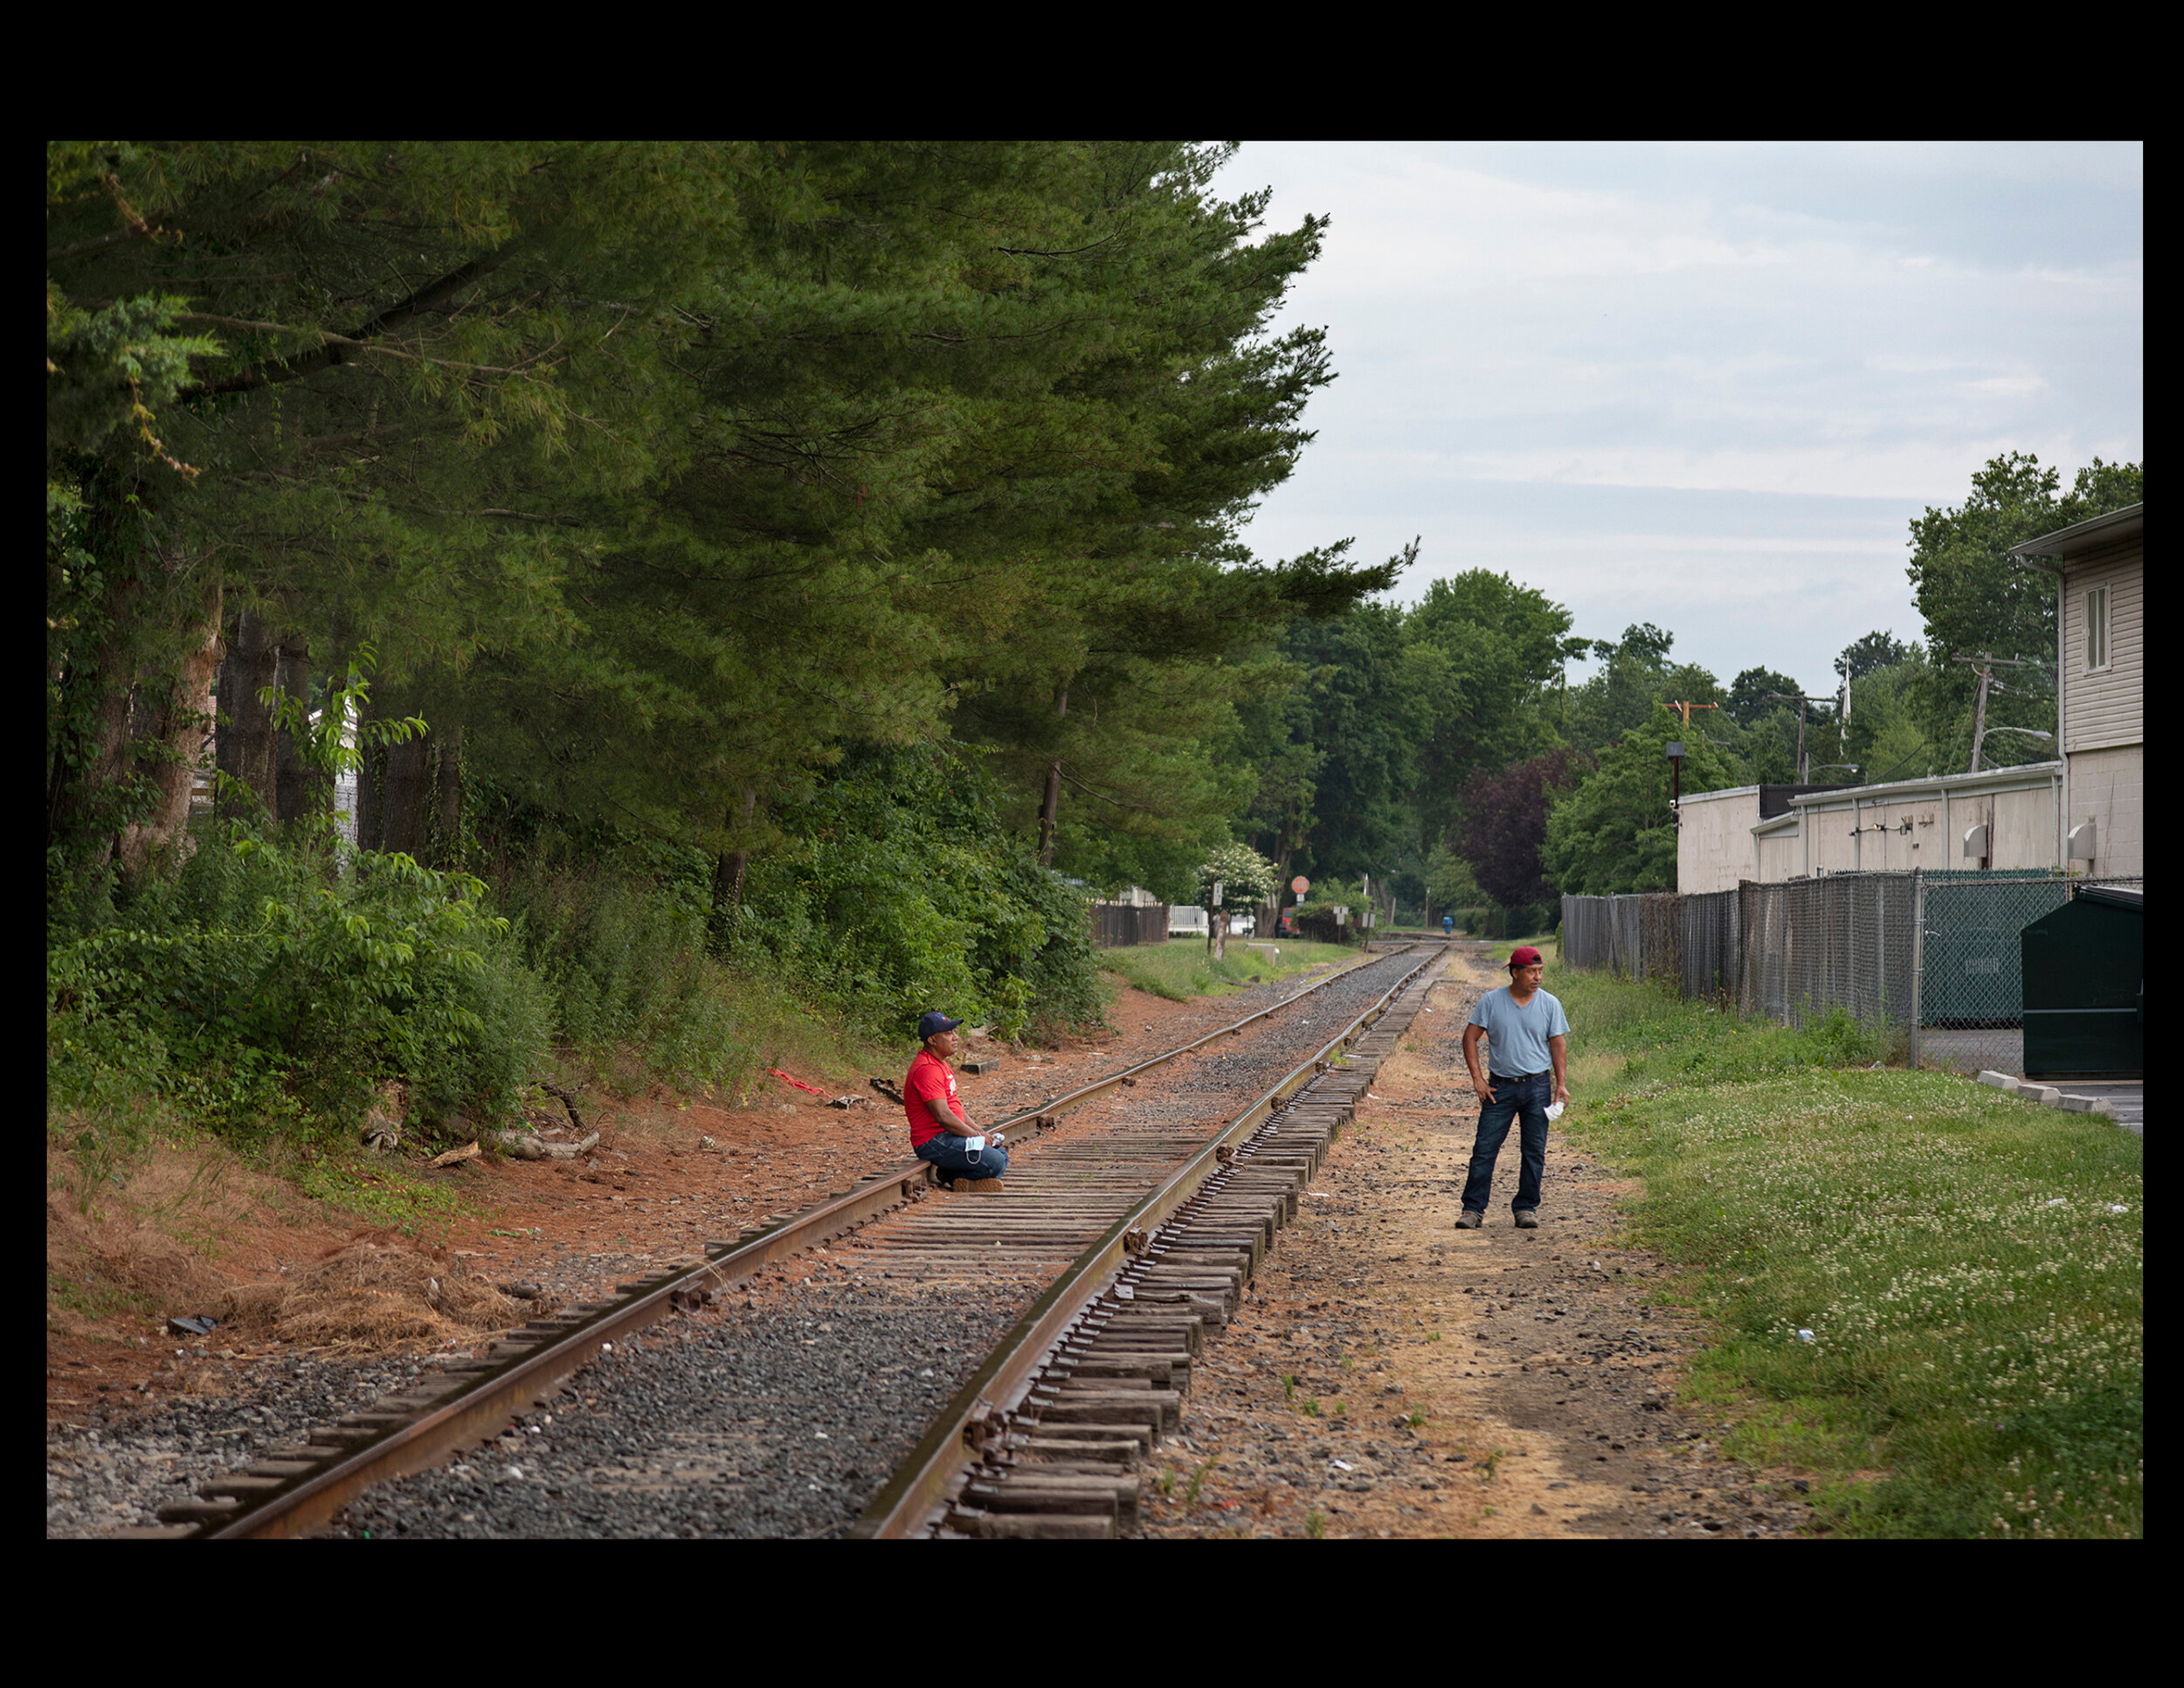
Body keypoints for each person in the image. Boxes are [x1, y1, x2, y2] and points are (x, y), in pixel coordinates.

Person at [1455, 945, 1570, 1229]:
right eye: (1531, 971)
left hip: (1538, 1087)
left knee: (1534, 1151)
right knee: (1484, 1148)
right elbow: (1470, 1037)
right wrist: (1478, 1078)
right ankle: (1472, 1209)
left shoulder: (1550, 1004)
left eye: (1540, 971)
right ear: (1515, 973)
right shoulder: (1491, 1002)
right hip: (1500, 1088)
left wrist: (1561, 1084)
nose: (1537, 977)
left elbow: (1558, 1044)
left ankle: (1526, 1207)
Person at [903, 1011, 1007, 1193]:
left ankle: (959, 1177)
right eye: (948, 1033)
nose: (955, 1037)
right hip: (934, 1141)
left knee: (1001, 1154)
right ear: (932, 1040)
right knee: (995, 1161)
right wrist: (975, 1137)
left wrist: (980, 1131)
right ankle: (952, 1176)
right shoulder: (927, 1069)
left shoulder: (940, 1064)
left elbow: (955, 1107)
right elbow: (943, 1115)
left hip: (949, 1136)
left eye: (954, 1032)